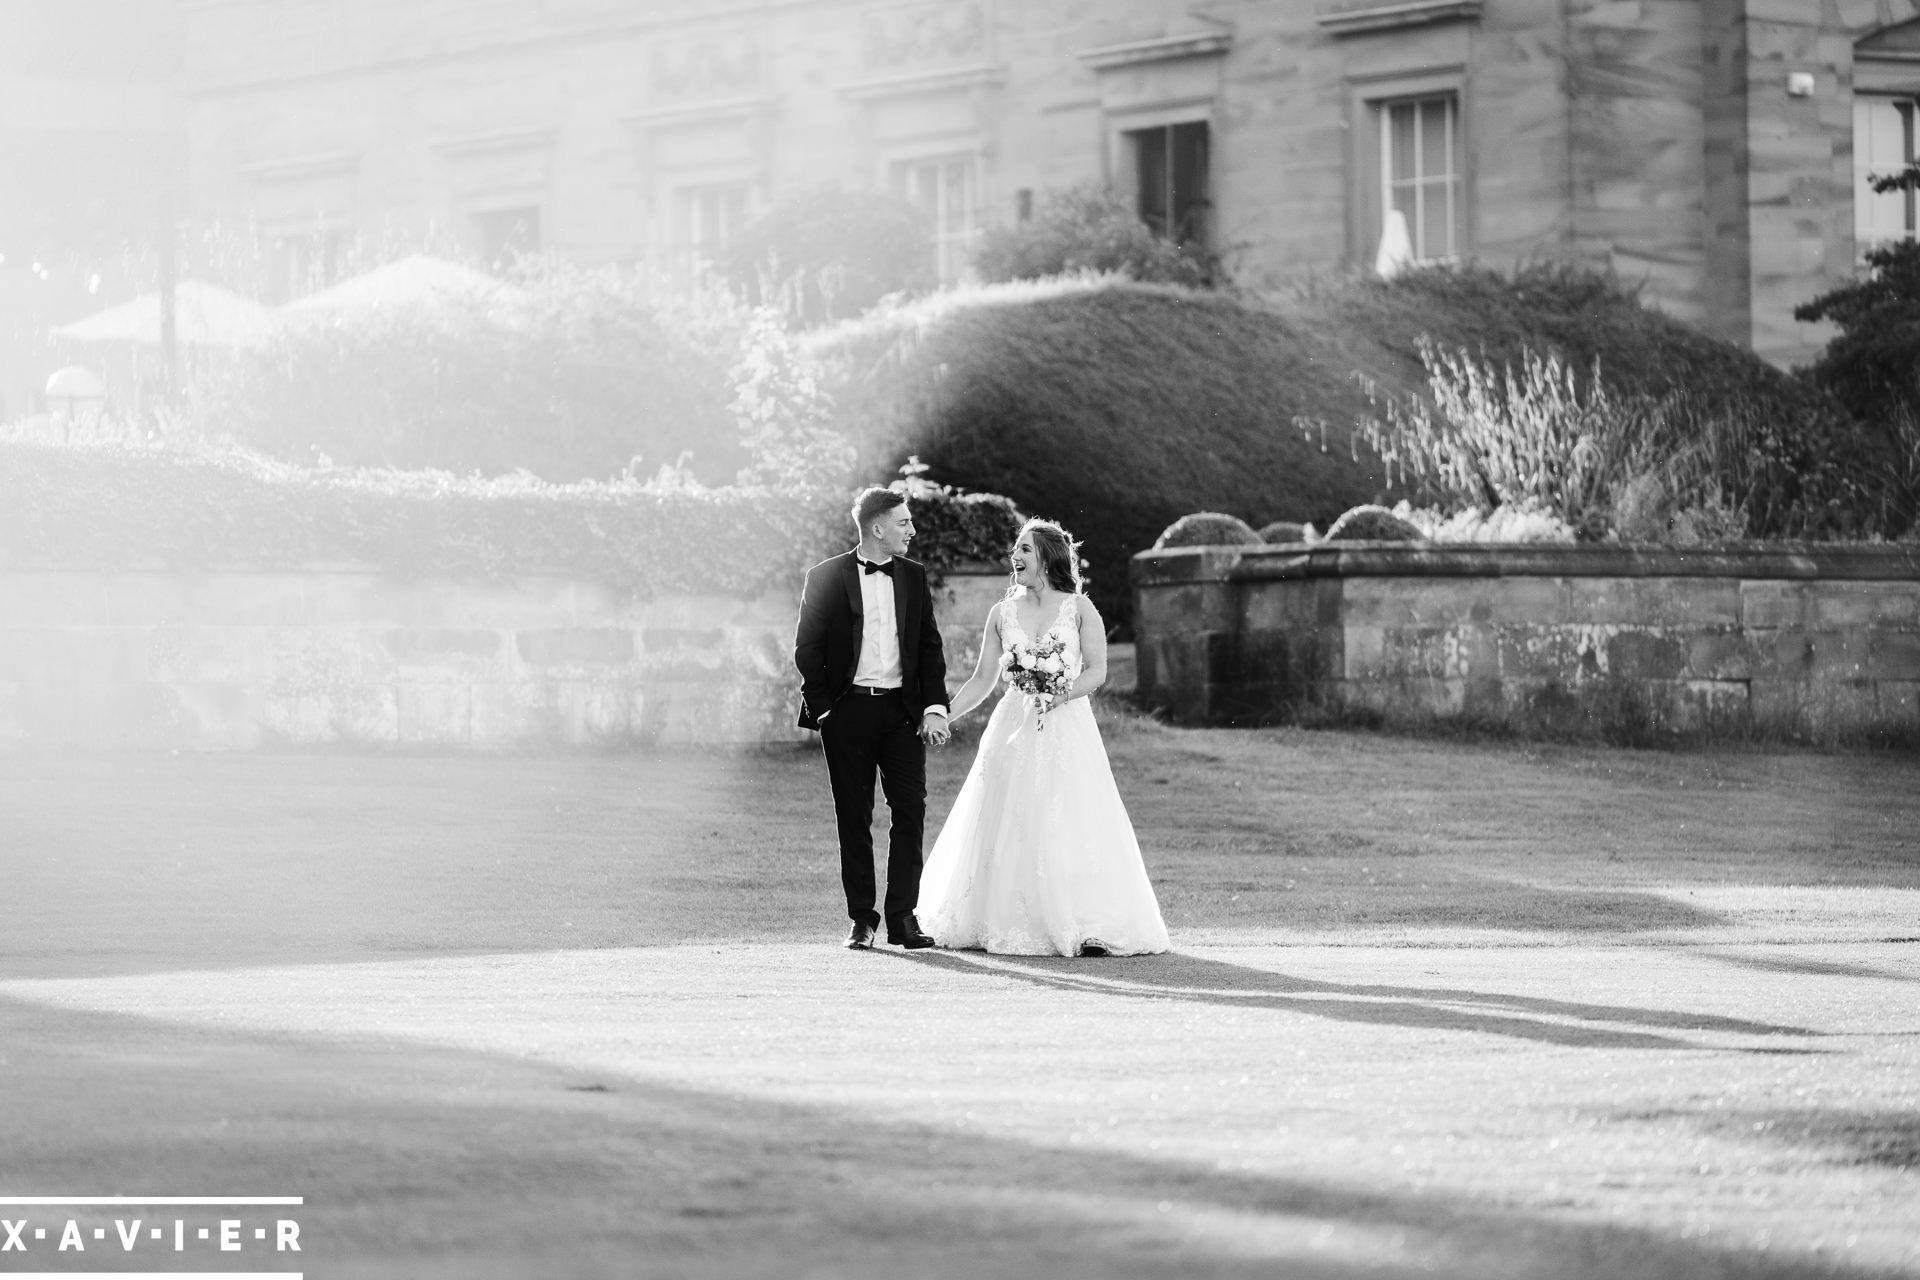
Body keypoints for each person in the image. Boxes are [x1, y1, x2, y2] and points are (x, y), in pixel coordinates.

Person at [916, 518, 1170, 957]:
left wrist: (1058, 696)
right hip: (1013, 723)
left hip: (1067, 723)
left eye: (1025, 549)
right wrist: (943, 714)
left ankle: (1088, 922)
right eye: (1015, 549)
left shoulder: (1079, 608)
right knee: (1010, 816)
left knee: (1070, 815)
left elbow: (1097, 671)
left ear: (1048, 558)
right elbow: (981, 680)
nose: (1015, 556)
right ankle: (1004, 919)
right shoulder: (1002, 613)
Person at [794, 486, 951, 951]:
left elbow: (929, 646)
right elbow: (807, 649)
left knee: (910, 811)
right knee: (853, 817)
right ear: (877, 528)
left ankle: (904, 918)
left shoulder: (914, 577)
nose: (912, 530)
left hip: (902, 715)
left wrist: (934, 706)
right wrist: (825, 710)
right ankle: (862, 920)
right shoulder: (824, 577)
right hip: (847, 713)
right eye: (904, 523)